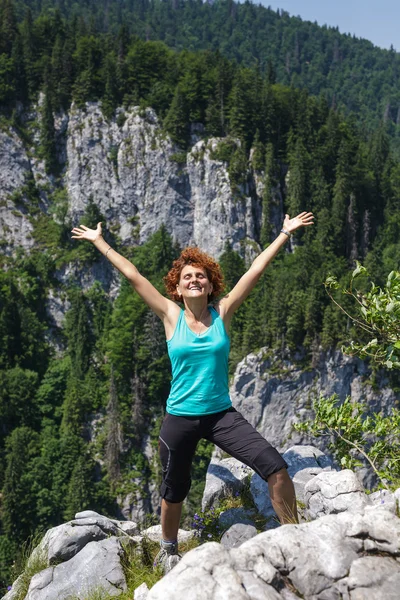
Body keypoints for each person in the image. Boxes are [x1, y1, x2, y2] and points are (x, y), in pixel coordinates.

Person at [71, 211, 314, 571]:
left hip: (220, 415)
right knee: (175, 491)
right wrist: (100, 242)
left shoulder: (223, 312)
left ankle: (294, 537)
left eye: (200, 276)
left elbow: (254, 273)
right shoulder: (170, 315)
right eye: (188, 278)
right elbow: (133, 275)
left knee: (276, 468)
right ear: (178, 287)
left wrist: (283, 233)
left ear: (210, 284)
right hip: (180, 418)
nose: (195, 280)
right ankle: (169, 551)